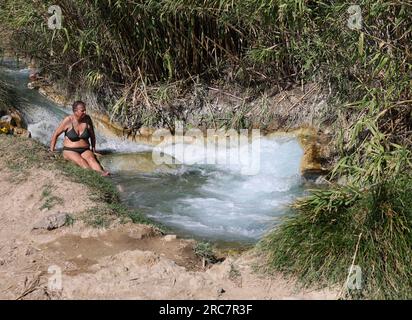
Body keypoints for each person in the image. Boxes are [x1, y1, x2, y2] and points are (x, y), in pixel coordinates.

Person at [50, 100, 110, 176]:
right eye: (82, 110)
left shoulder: (87, 119)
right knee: (82, 161)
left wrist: (93, 149)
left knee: (92, 160)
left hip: (85, 150)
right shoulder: (68, 120)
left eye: (85, 110)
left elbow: (92, 136)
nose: (85, 112)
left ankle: (101, 173)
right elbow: (55, 135)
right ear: (75, 111)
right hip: (69, 150)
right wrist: (51, 151)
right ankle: (94, 175)